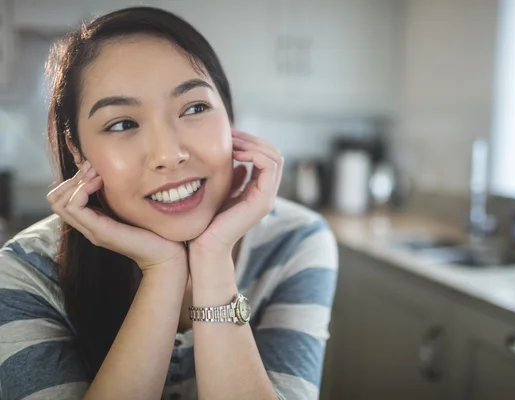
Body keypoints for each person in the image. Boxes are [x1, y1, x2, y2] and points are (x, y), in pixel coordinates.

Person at [0, 7, 338, 400]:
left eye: (194, 108)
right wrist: (163, 270)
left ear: (229, 116)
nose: (169, 154)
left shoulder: (294, 241)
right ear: (77, 150)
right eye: (122, 123)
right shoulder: (24, 273)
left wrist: (213, 258)